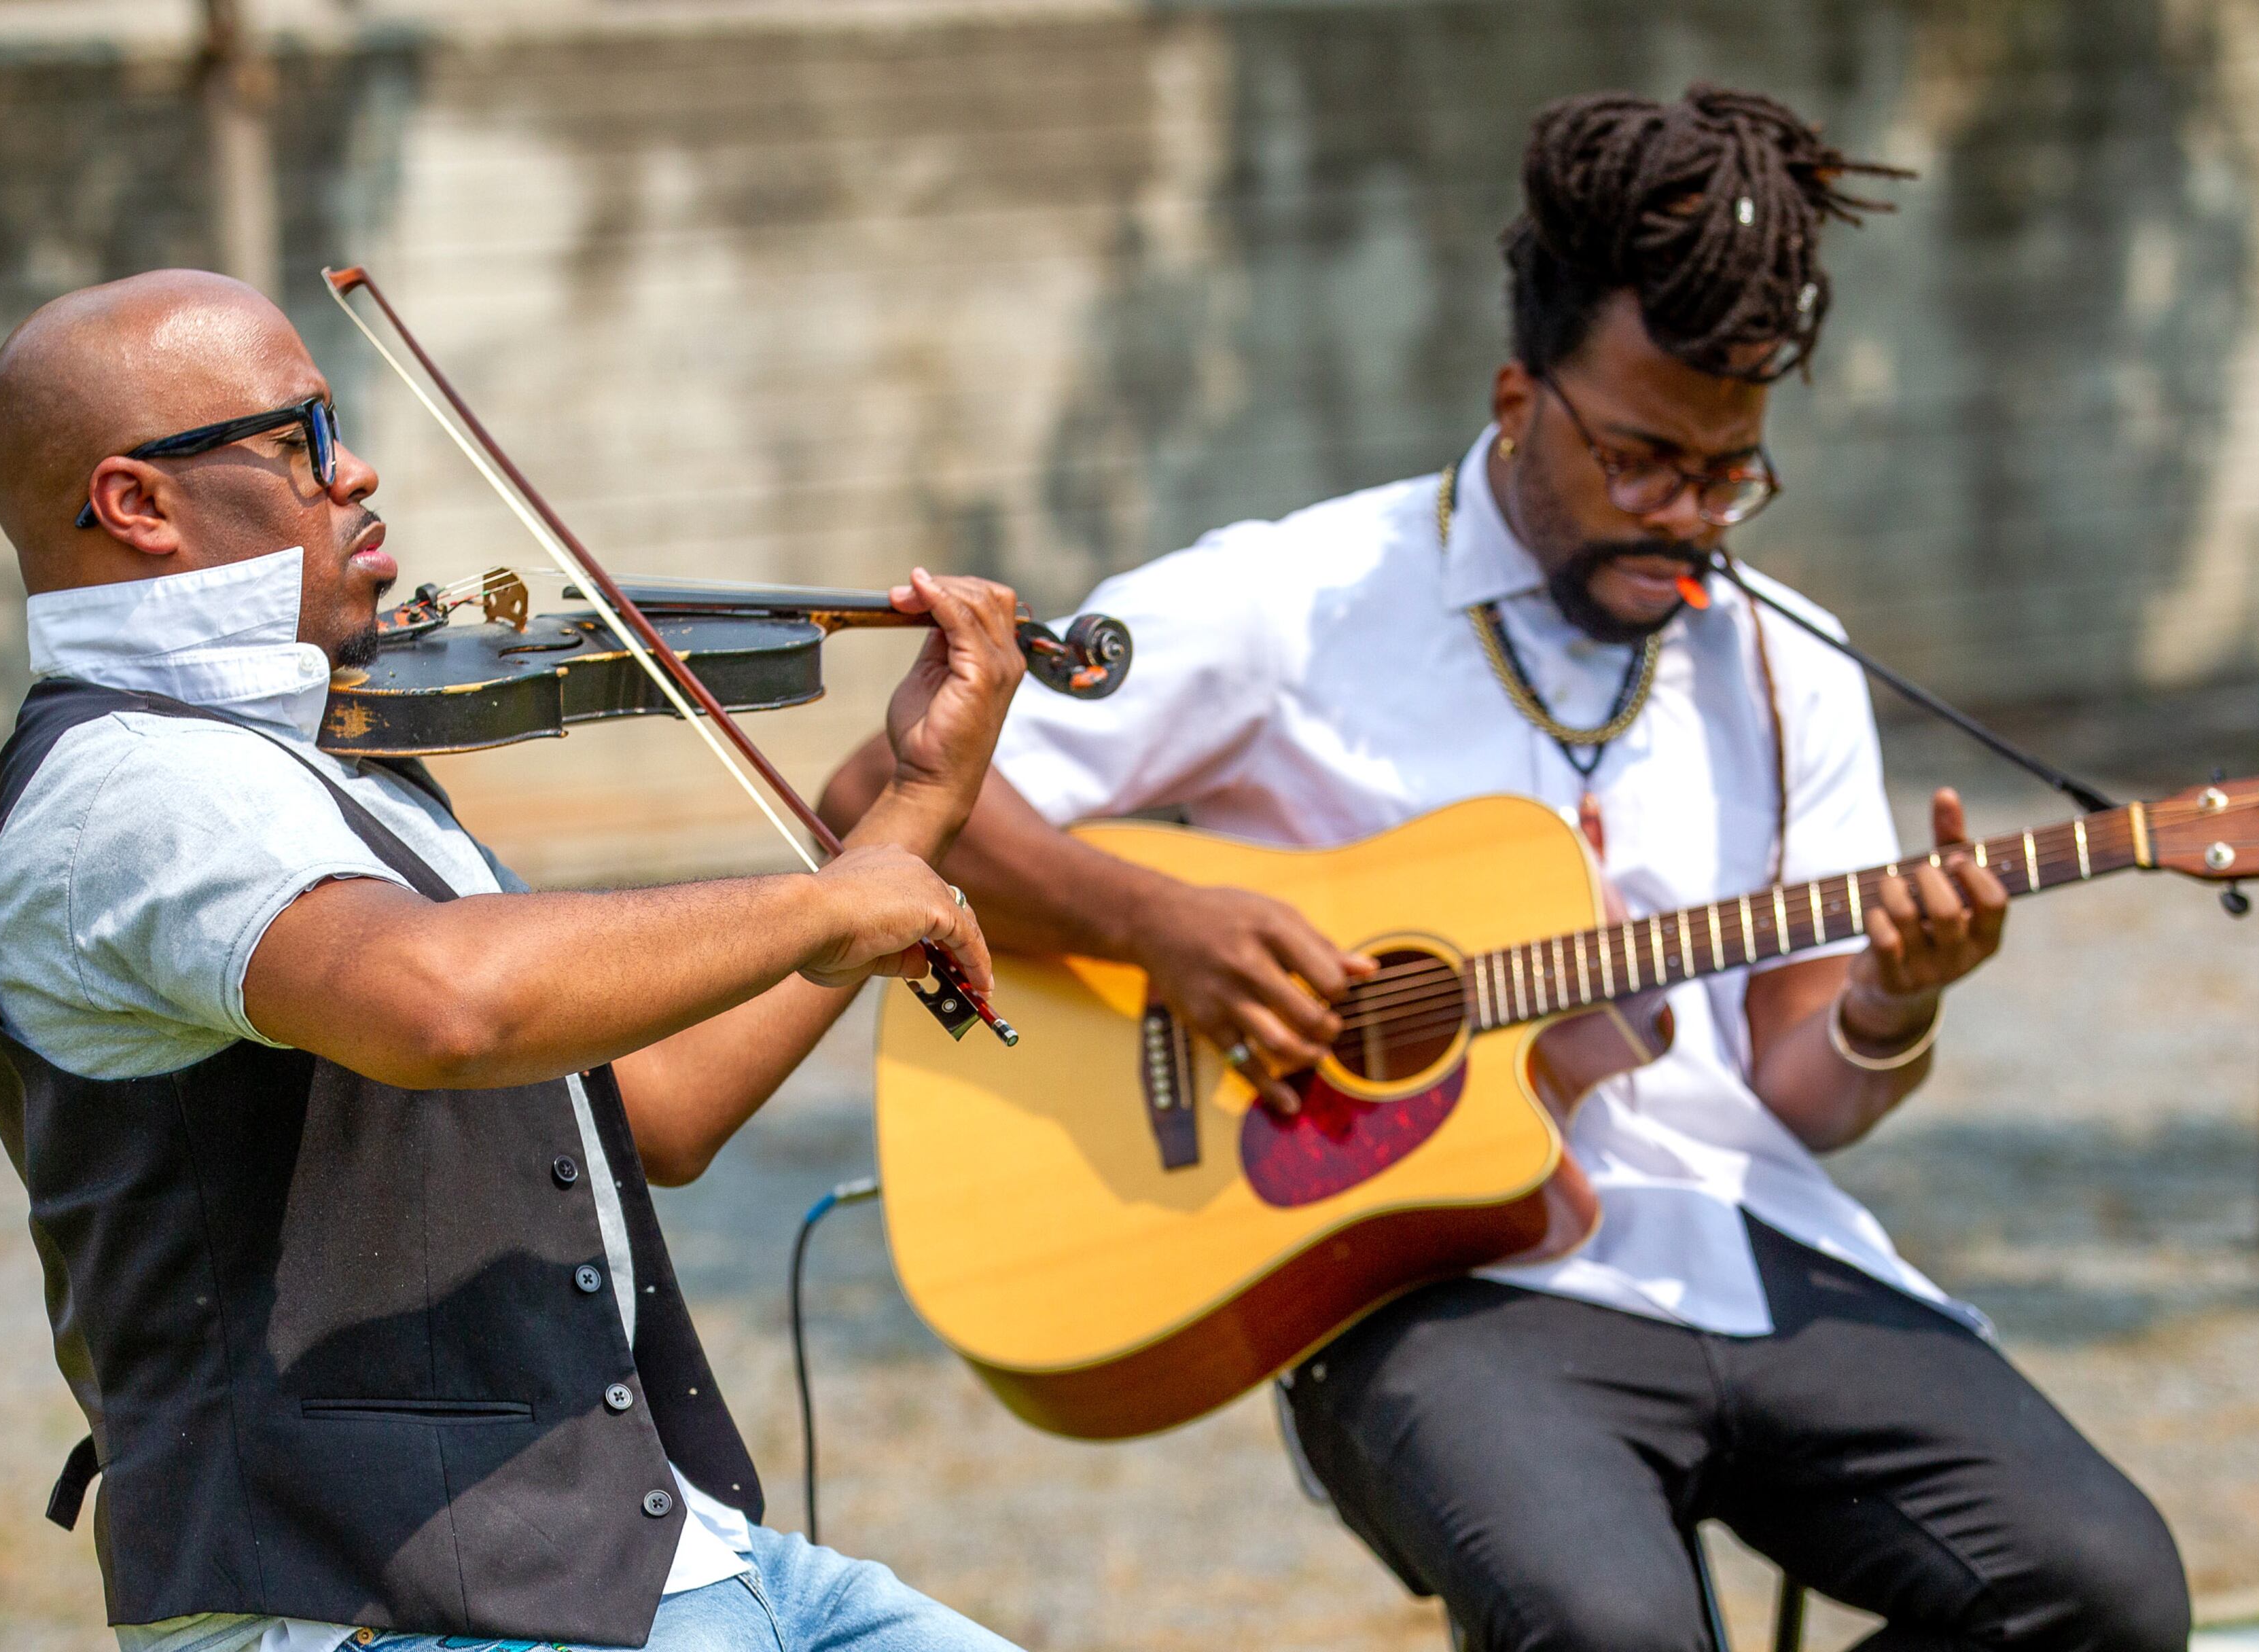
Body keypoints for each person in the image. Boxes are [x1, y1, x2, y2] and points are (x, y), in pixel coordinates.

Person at [825, 87, 2190, 1652]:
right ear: (1514, 397)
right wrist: (1165, 923)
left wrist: (1897, 1001)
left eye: (1728, 475)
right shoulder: (1301, 596)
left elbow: (1805, 1090)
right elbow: (881, 794)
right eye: (1638, 457)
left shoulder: (1784, 664)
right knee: (1609, 1629)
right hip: (1424, 1279)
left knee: (2107, 1591)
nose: (1683, 520)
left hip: (1744, 1235)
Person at [0, 268, 1028, 1652]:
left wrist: (915, 812)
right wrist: (821, 909)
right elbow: (443, 1001)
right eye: (302, 438)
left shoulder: (321, 766)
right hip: (380, 1607)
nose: (359, 473)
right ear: (138, 505)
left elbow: (659, 1108)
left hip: (644, 1562)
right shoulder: (130, 793)